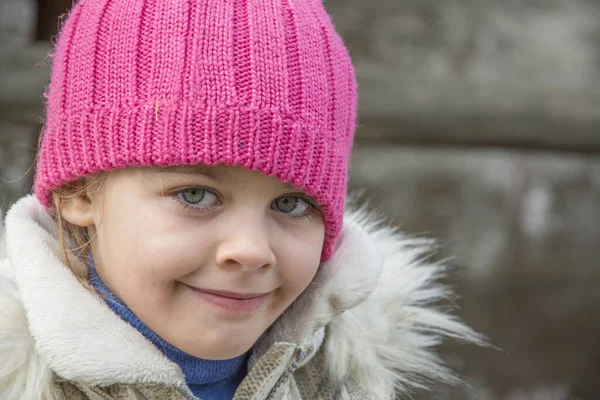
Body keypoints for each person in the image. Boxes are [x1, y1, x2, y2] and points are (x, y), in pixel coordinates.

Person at [0, 0, 484, 399]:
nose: (252, 250)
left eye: (292, 204)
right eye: (196, 195)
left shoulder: (362, 379)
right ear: (79, 193)